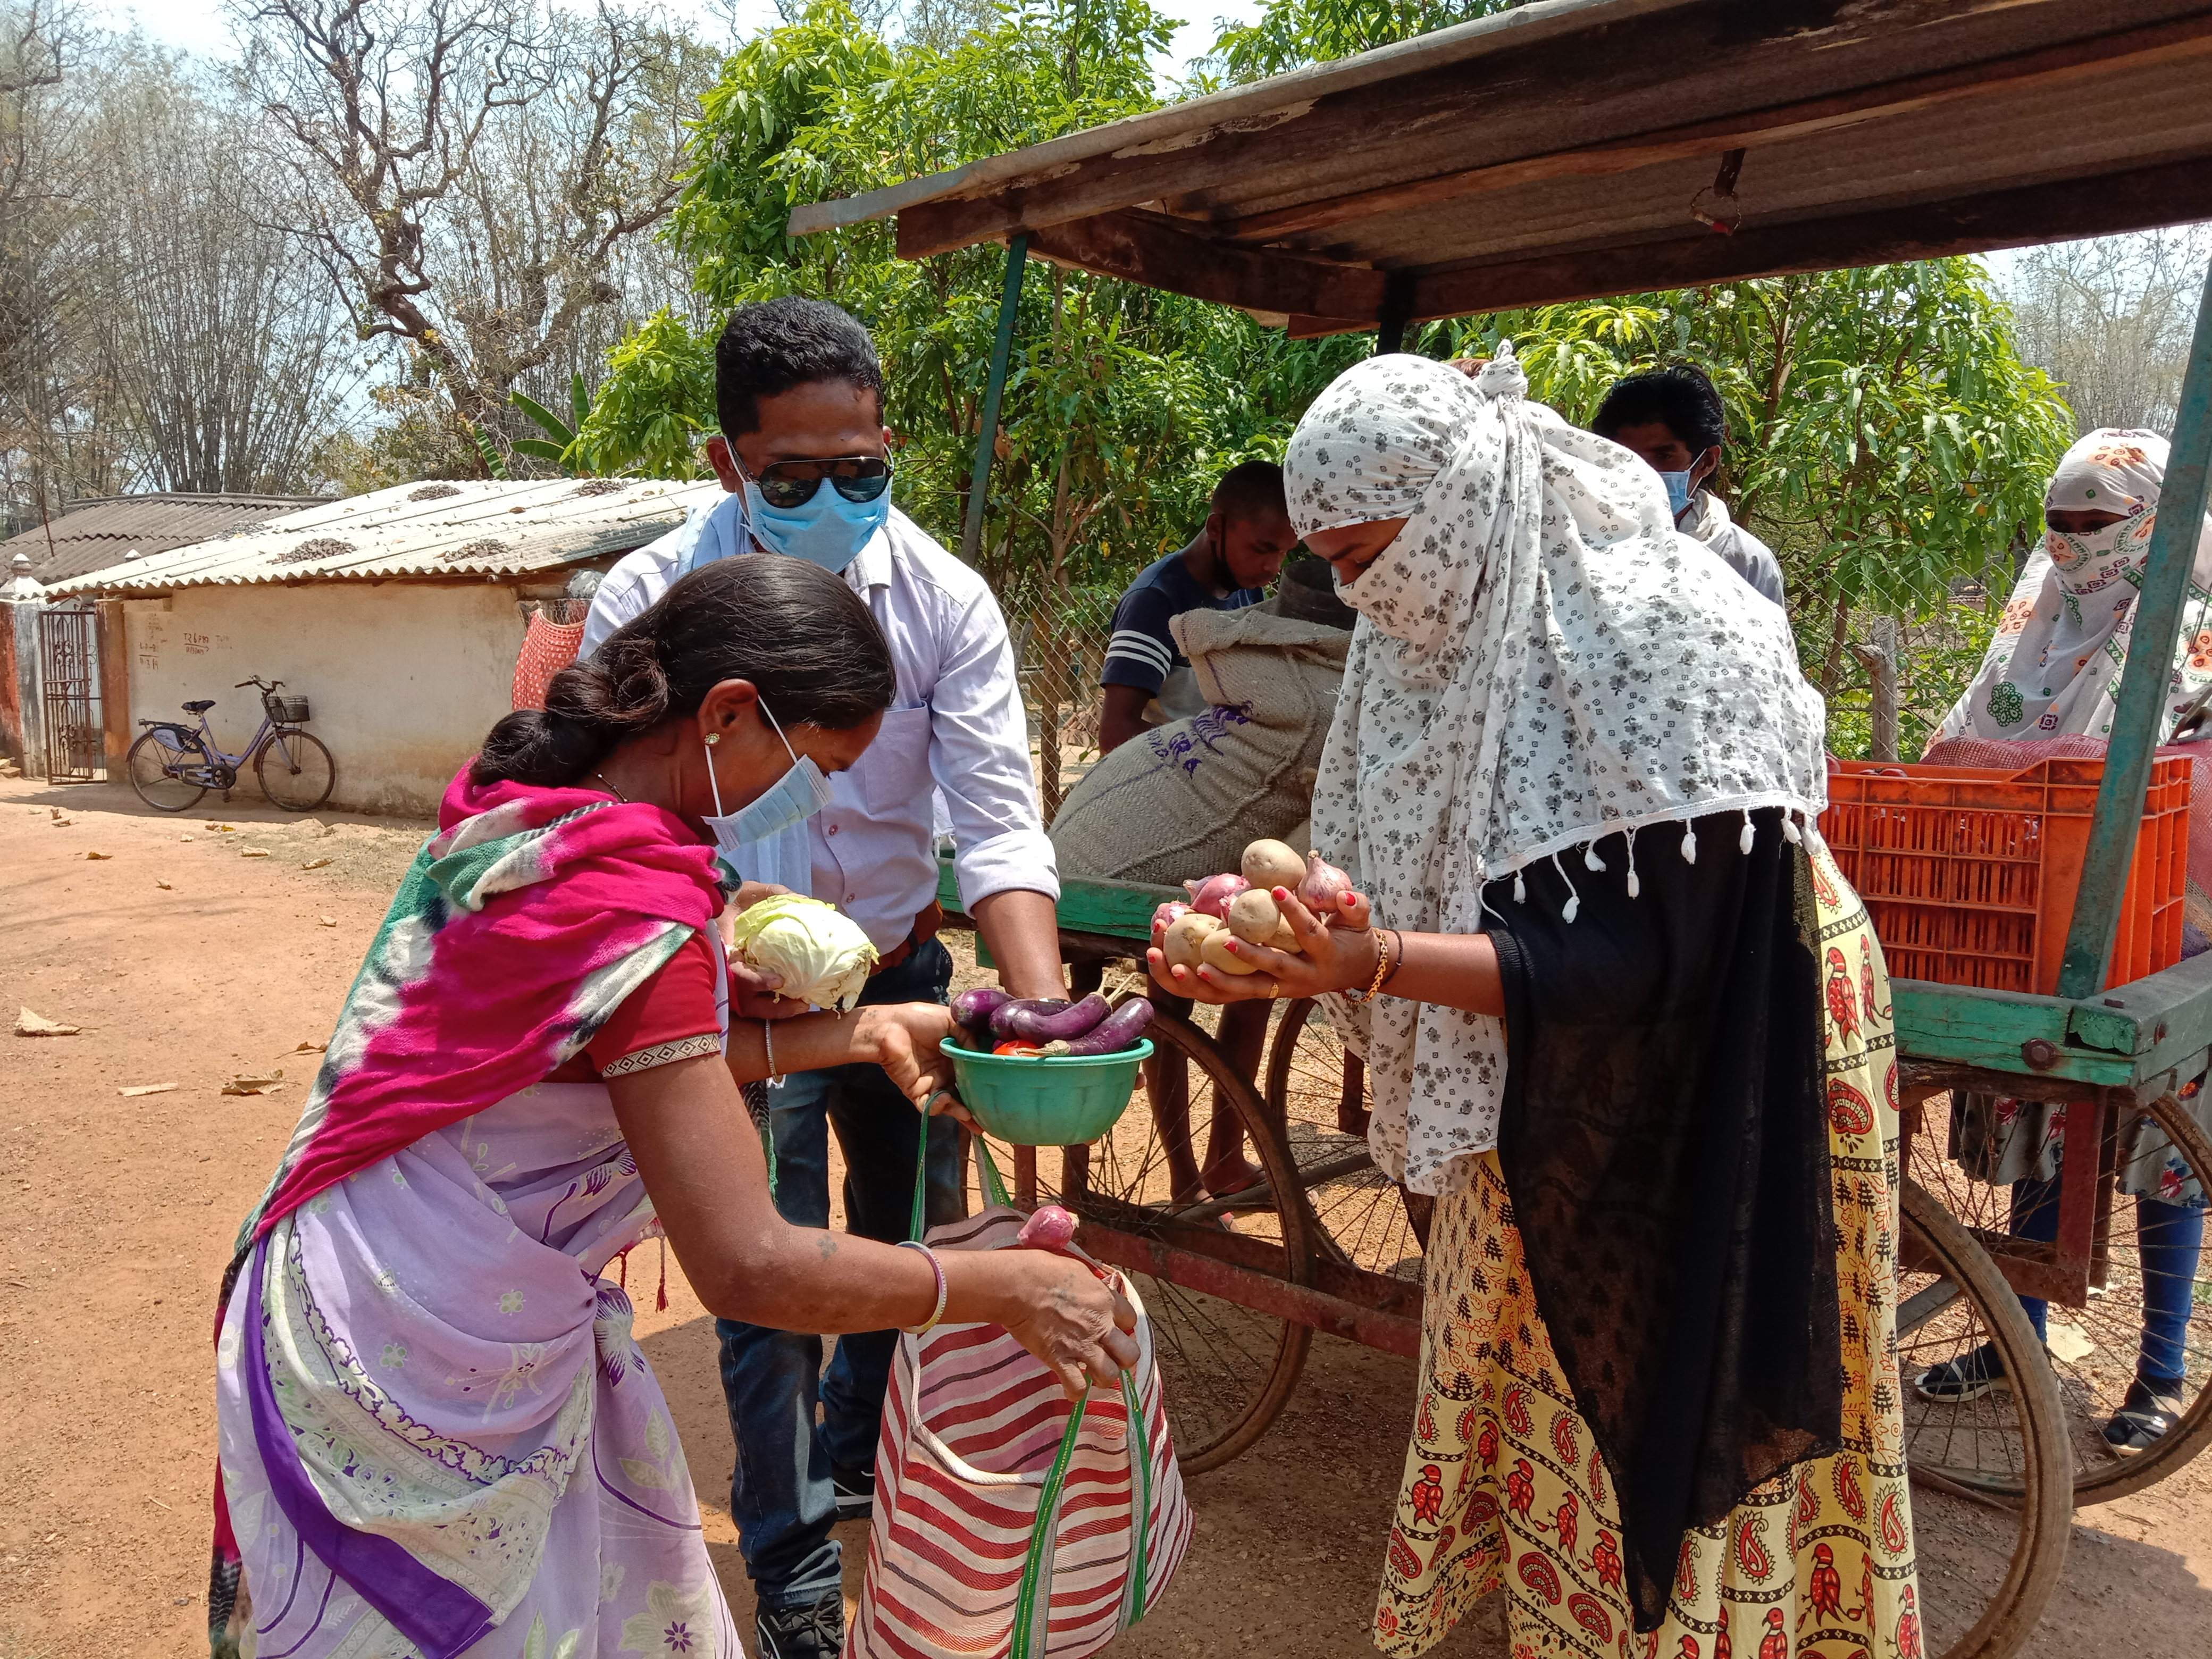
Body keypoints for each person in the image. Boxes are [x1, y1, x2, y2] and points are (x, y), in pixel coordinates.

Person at [208, 555, 1135, 1659]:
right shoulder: (630, 900)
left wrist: (867, 1028)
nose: (818, 797)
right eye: (816, 765)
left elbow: (620, 1064)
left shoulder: (543, 821)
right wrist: (997, 1288)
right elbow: (747, 1266)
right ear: (730, 714)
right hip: (397, 1363)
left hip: (369, 1288)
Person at [1154, 349, 1921, 1656]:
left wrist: (1375, 959)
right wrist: (1316, 922)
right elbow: (1418, 855)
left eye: (1369, 550)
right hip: (1529, 1057)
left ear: (1458, 501)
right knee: (1537, 1383)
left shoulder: (1663, 625)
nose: (1356, 589)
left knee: (1686, 1384)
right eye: (1333, 561)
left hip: (1730, 1047)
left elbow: (1652, 965)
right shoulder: (1432, 629)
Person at [579, 297, 1067, 1657]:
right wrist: (735, 928)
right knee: (768, 1270)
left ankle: (865, 1456)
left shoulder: (945, 599)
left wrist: (1025, 1016)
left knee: (920, 1228)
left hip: (906, 966)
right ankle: (793, 1562)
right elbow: (630, 827)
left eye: (863, 469)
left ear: (889, 443)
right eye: (794, 477)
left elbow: (998, 819)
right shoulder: (652, 599)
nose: (837, 496)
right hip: (733, 998)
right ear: (728, 461)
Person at [1920, 428, 2211, 1454]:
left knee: (2164, 1158)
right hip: (2037, 915)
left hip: (2173, 935)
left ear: (2152, 526)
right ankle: (2020, 1339)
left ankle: (2162, 1372)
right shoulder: (2030, 627)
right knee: (2045, 1122)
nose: (2078, 546)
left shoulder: (2198, 628)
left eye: (2102, 524)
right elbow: (1968, 743)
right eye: (2063, 525)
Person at [1057, 555, 1359, 1195]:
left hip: (1103, 835)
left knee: (1256, 969)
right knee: (1179, 986)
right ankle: (1189, 1176)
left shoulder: (1281, 680)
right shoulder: (1318, 706)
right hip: (1103, 871)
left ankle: (1220, 1163)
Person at [1097, 460, 1301, 754]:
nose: (1274, 567)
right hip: (1172, 783)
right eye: (1261, 549)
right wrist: (1218, 757)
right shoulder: (1155, 600)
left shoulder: (1248, 589)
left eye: (1284, 552)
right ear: (1216, 527)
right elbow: (1116, 732)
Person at [1591, 363, 1786, 607]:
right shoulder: (1576, 540)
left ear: (1706, 462)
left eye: (1663, 457)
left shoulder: (1745, 562)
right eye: (1623, 456)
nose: (1640, 472)